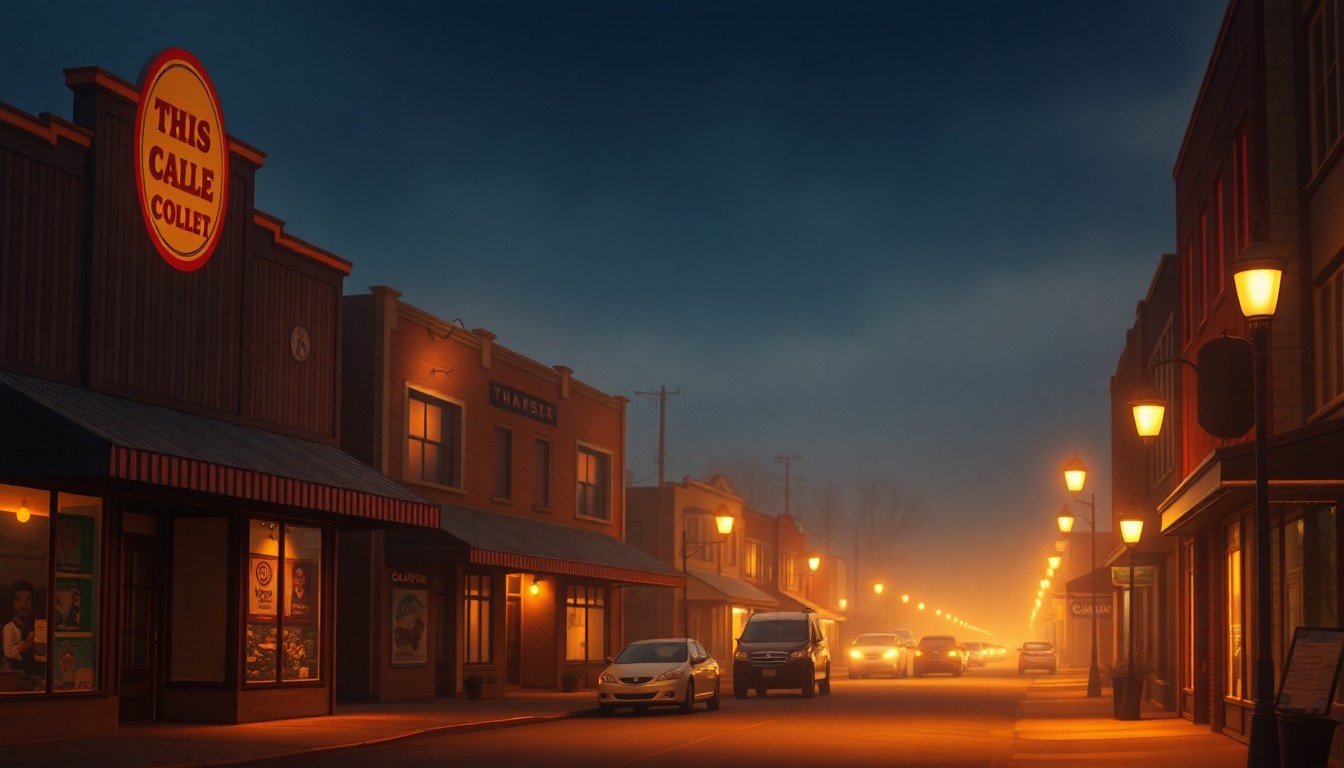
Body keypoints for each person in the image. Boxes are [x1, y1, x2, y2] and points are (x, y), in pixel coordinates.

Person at [4, 579, 45, 687]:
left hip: (35, 675)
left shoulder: (36, 626)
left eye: (28, 600)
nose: (24, 604)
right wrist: (28, 643)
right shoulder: (9, 628)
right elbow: (8, 653)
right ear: (12, 602)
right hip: (16, 677)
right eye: (19, 599)